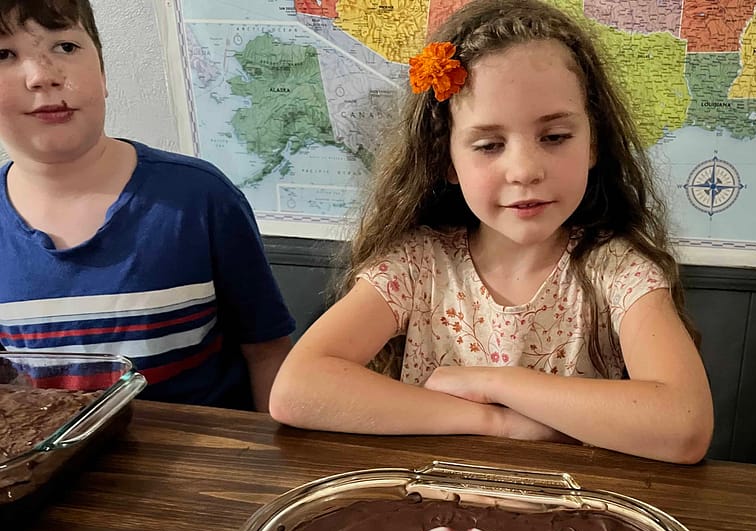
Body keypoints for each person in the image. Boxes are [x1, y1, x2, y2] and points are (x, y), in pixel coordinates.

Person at [269, 0, 713, 462]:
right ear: (447, 160)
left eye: (555, 137)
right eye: (488, 145)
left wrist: (490, 381)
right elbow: (297, 389)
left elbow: (684, 425)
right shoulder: (418, 265)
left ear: (593, 143)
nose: (524, 169)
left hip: (569, 516)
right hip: (434, 515)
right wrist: (495, 421)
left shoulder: (617, 270)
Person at [0, 0, 295, 411]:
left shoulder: (200, 197)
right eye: (4, 54)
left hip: (204, 463)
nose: (42, 76)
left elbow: (267, 352)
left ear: (102, 72)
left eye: (65, 46)